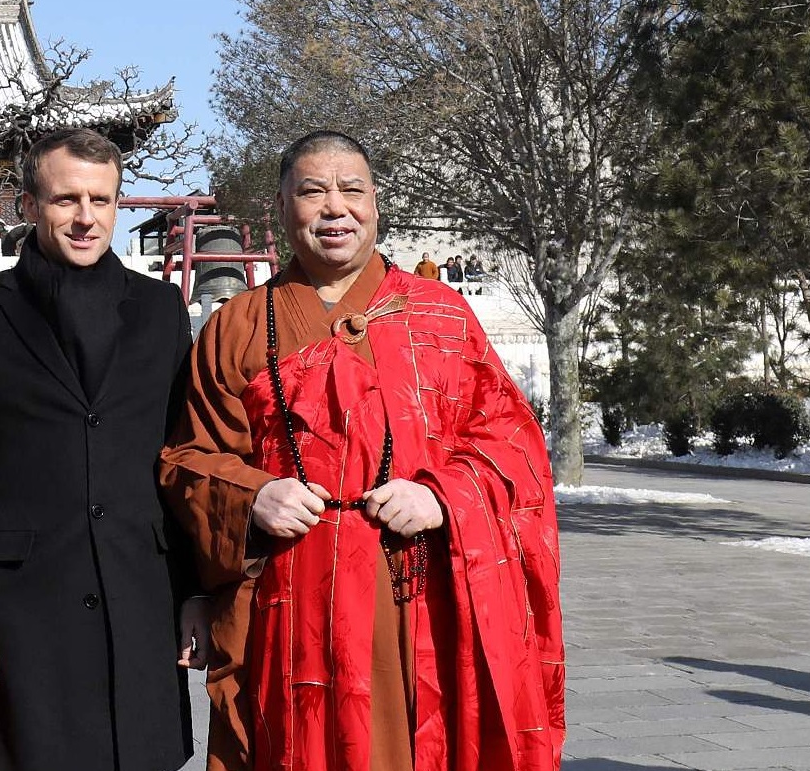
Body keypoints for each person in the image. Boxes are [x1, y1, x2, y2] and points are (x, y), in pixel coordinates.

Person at [160, 130, 564, 771]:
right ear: (283, 205)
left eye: (352, 190)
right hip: (288, 595)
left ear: (376, 204)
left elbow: (512, 443)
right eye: (312, 192)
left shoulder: (441, 314)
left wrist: (440, 495)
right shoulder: (238, 323)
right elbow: (189, 458)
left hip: (416, 586)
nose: (334, 208)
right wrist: (254, 494)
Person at [0, 128, 199, 771]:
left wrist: (198, 593)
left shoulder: (160, 310)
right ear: (28, 206)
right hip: (23, 605)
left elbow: (183, 460)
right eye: (65, 199)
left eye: (101, 201)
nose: (85, 218)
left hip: (142, 593)